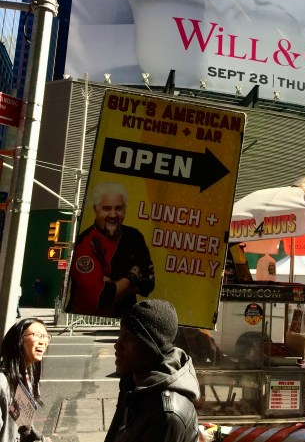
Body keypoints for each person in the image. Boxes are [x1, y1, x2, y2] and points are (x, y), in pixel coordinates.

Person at [105, 300, 199, 442]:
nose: (117, 345)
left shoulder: (167, 413)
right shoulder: (131, 382)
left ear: (151, 348)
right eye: (120, 334)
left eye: (130, 338)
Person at [66, 182, 155, 317]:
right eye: (106, 208)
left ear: (125, 209)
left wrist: (113, 286)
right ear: (96, 209)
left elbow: (148, 284)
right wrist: (132, 277)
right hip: (87, 323)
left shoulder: (134, 236)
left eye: (118, 208)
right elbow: (102, 299)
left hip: (126, 320)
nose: (113, 215)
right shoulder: (84, 244)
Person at [0, 319, 49, 442]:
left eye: (45, 336)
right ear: (18, 341)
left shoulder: (30, 377)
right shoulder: (2, 381)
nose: (43, 341)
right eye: (37, 335)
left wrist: (40, 438)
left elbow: (23, 426)